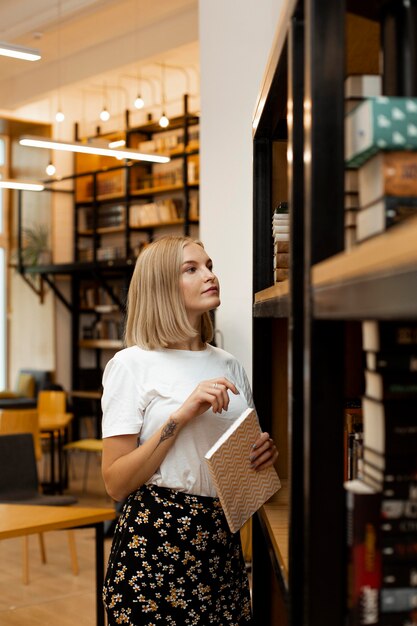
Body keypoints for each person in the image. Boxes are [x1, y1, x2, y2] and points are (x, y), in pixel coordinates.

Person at [101, 235, 278, 625]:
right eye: (192, 269)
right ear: (162, 286)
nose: (210, 275)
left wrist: (262, 456)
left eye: (210, 265)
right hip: (154, 545)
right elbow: (115, 483)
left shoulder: (229, 364)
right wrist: (180, 416)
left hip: (222, 545)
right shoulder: (131, 365)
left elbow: (235, 460)